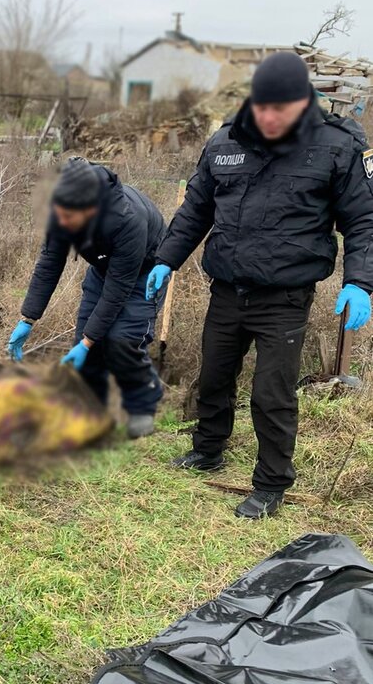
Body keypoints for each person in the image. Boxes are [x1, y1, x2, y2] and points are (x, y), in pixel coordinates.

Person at [146, 51, 373, 519]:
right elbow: (196, 209)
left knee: (272, 392)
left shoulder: (337, 146)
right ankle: (208, 448)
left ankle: (271, 483)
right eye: (263, 107)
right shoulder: (225, 141)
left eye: (280, 109)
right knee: (214, 376)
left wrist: (360, 282)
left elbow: (364, 221)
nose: (270, 117)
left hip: (285, 296)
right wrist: (167, 259)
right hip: (227, 288)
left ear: (303, 103)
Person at [8, 157, 167, 437]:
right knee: (85, 344)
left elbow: (117, 290)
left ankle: (144, 400)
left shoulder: (127, 220)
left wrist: (88, 341)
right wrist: (27, 318)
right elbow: (49, 264)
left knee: (122, 341)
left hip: (144, 270)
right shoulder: (63, 208)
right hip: (104, 268)